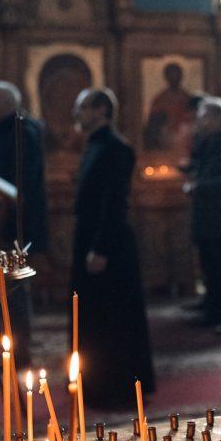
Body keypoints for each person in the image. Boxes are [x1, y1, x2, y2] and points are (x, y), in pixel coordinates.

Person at [71, 88, 156, 408]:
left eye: (82, 107)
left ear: (101, 110)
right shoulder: (95, 144)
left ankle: (117, 384)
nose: (76, 113)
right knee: (93, 315)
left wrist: (100, 247)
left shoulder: (116, 148)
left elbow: (113, 202)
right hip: (92, 239)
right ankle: (96, 381)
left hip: (108, 244)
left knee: (112, 316)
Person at [0, 82, 49, 368]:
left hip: (14, 225)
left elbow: (18, 183)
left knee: (14, 290)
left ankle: (18, 351)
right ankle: (0, 347)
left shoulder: (22, 132)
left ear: (4, 106)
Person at [186, 97, 221, 327]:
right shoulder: (204, 143)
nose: (201, 122)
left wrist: (199, 187)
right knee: (208, 268)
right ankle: (211, 311)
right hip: (205, 217)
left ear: (218, 118)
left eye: (205, 117)